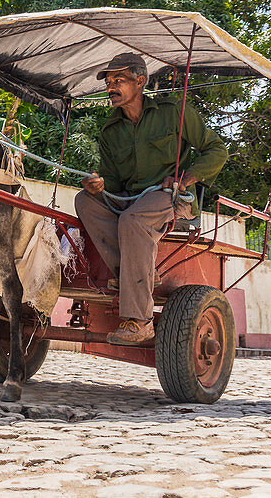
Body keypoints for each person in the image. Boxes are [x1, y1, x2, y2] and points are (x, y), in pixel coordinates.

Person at [75, 52, 228, 346]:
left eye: (118, 80)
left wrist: (186, 179)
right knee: (84, 201)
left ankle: (139, 321)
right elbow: (114, 183)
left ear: (141, 81)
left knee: (133, 221)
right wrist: (97, 185)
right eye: (108, 82)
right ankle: (143, 274)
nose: (111, 87)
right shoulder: (111, 130)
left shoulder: (174, 111)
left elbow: (216, 150)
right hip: (130, 199)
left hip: (171, 197)